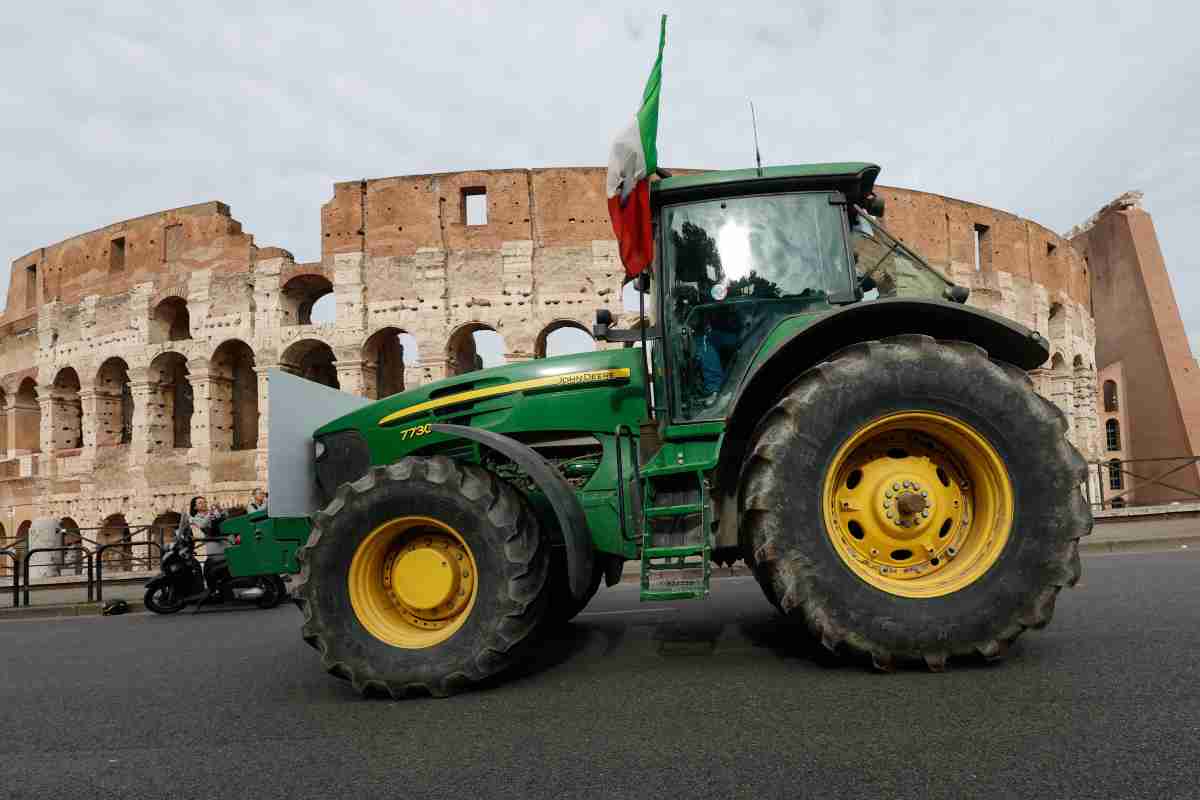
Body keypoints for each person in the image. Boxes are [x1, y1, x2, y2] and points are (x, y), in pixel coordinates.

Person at [178, 496, 229, 596]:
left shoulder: (212, 513)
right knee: (210, 567)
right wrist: (211, 513)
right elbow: (203, 524)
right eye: (200, 503)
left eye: (205, 502)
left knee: (220, 566)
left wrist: (220, 509)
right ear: (195, 507)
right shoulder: (195, 518)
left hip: (222, 541)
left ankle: (221, 589)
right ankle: (213, 589)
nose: (204, 504)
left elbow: (226, 516)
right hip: (212, 544)